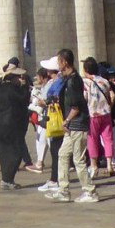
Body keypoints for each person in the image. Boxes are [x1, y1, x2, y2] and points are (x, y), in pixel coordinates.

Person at [46, 48, 99, 203]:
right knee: (63, 154)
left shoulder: (73, 81)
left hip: (77, 124)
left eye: (58, 61)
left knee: (78, 160)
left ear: (64, 62)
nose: (57, 65)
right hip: (72, 126)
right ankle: (63, 190)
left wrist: (66, 120)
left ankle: (90, 191)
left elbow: (76, 106)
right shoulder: (68, 79)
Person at [0, 64, 30, 189]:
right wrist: (25, 87)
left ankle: (6, 179)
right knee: (17, 151)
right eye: (19, 77)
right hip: (10, 124)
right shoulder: (13, 89)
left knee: (3, 152)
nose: (21, 79)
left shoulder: (0, 87)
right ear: (14, 78)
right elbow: (24, 99)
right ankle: (7, 179)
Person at [82, 56, 115, 178]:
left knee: (92, 139)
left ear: (86, 69)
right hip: (106, 113)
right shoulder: (104, 81)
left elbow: (85, 97)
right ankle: (109, 164)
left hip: (92, 114)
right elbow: (112, 95)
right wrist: (109, 106)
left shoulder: (85, 82)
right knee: (108, 139)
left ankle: (94, 165)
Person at [37, 56, 64, 193]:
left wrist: (45, 102)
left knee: (56, 151)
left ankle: (56, 180)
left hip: (57, 120)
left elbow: (56, 99)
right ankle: (56, 179)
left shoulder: (58, 82)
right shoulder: (58, 81)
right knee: (56, 151)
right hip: (56, 119)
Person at [27, 68, 50, 174]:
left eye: (37, 76)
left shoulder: (47, 86)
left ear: (41, 77)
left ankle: (40, 164)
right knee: (42, 140)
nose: (36, 79)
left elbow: (43, 104)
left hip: (48, 118)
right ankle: (39, 163)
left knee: (48, 142)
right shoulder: (44, 86)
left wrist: (33, 105)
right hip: (45, 119)